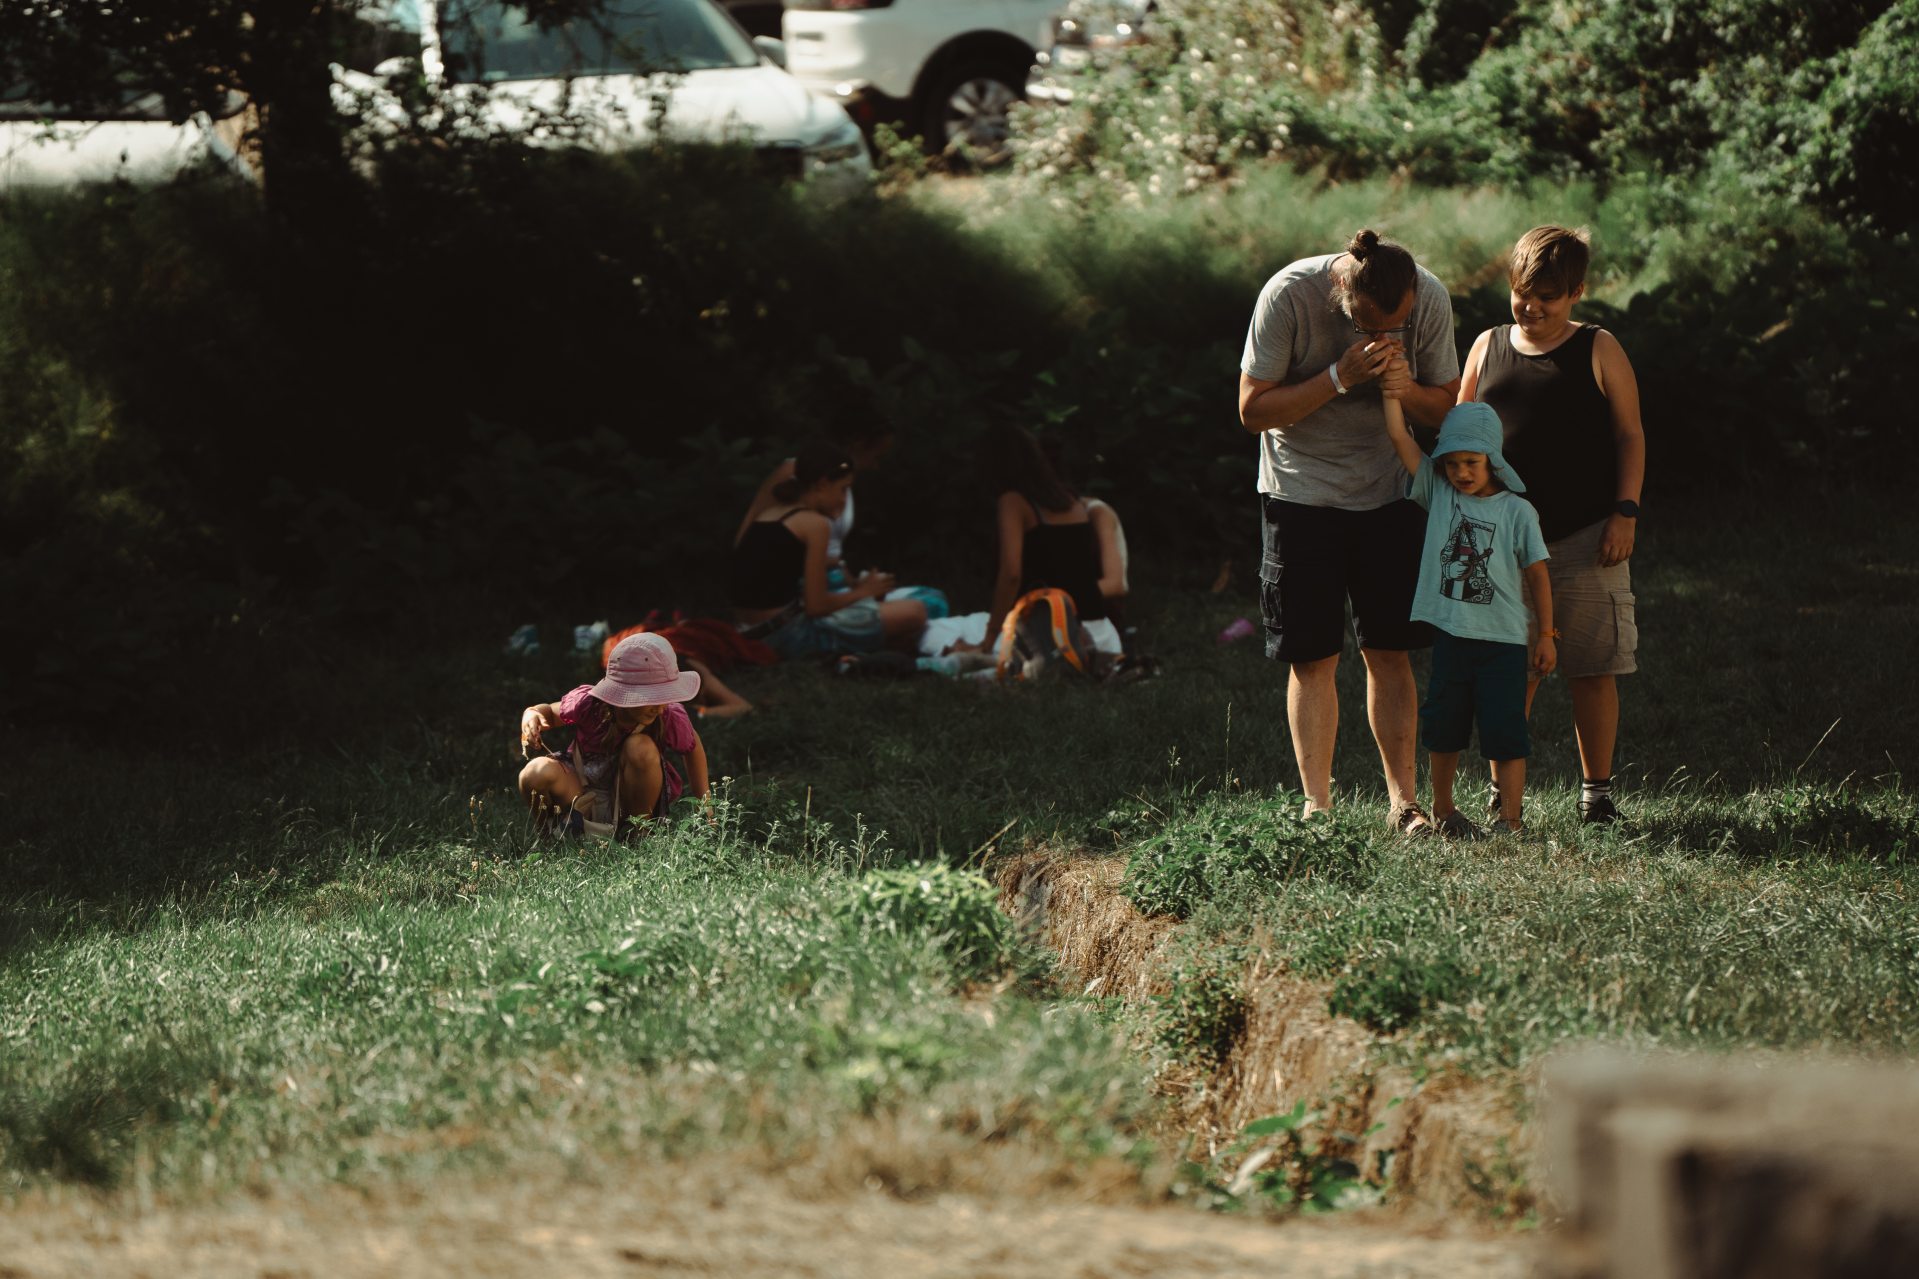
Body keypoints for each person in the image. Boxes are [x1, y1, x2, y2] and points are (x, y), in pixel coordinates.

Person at [1238, 228, 1462, 831]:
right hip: (1299, 493)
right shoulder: (1288, 294)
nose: (1387, 336)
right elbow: (1253, 410)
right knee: (1311, 656)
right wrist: (1339, 376)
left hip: (1390, 491)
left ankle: (1404, 804)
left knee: (1389, 652)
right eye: (1371, 325)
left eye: (1398, 325)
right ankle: (1318, 808)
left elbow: (1447, 409)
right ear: (1341, 290)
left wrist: (1405, 388)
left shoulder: (1430, 298)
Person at [1459, 226, 1644, 825]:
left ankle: (1596, 794)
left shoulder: (1598, 347)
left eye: (1549, 297)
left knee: (1592, 667)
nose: (1532, 307)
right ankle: (1501, 795)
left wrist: (1624, 511)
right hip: (1502, 542)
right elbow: (1462, 436)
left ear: (1577, 293)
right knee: (1511, 672)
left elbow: (1629, 435)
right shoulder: (1488, 347)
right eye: (1522, 293)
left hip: (1587, 537)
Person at [1383, 399, 1556, 835]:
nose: (1461, 472)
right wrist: (1391, 393)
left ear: (1492, 461)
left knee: (1506, 731)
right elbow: (1401, 438)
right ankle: (1444, 811)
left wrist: (1547, 636)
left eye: (1472, 462)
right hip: (1452, 638)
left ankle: (1510, 819)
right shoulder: (1438, 491)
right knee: (1444, 727)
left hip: (1504, 642)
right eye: (1453, 462)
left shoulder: (1517, 511)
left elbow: (1538, 574)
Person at [729, 441, 928, 657]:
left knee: (900, 624)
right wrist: (864, 592)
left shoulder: (773, 514)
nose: (844, 500)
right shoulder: (814, 524)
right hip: (785, 635)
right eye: (843, 490)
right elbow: (817, 606)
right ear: (823, 484)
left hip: (748, 632)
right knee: (915, 612)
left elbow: (774, 568)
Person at [517, 632, 710, 834]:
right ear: (623, 692)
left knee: (640, 747)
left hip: (631, 800)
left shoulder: (666, 715)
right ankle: (552, 833)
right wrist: (532, 714)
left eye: (664, 696)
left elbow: (692, 748)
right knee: (533, 773)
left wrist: (706, 810)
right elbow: (548, 712)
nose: (659, 707)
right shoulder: (589, 704)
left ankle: (637, 833)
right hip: (581, 793)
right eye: (651, 698)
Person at [982, 423, 1128, 655]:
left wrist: (989, 639)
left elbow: (1011, 574)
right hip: (1103, 635)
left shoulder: (1013, 502)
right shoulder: (1071, 501)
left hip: (1055, 637)